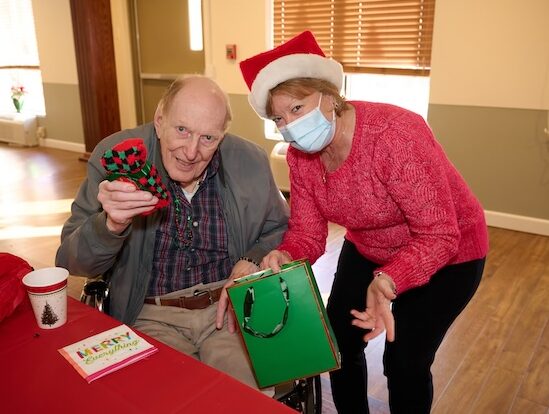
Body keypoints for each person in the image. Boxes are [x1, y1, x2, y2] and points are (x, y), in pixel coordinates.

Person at [239, 31, 489, 413]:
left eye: (297, 108)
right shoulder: (300, 157)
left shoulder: (393, 136)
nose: (289, 125)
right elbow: (308, 231)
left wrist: (389, 279)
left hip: (450, 254)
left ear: (328, 94)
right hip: (370, 247)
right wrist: (286, 254)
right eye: (278, 118)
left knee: (404, 360)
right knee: (337, 341)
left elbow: (439, 234)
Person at [56, 75, 290, 389]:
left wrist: (252, 258)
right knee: (170, 397)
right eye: (182, 130)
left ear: (222, 136)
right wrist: (111, 225)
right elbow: (72, 261)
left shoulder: (249, 160)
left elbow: (279, 226)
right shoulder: (117, 159)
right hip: (151, 313)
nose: (191, 151)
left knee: (247, 399)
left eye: (208, 138)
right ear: (159, 120)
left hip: (228, 308)